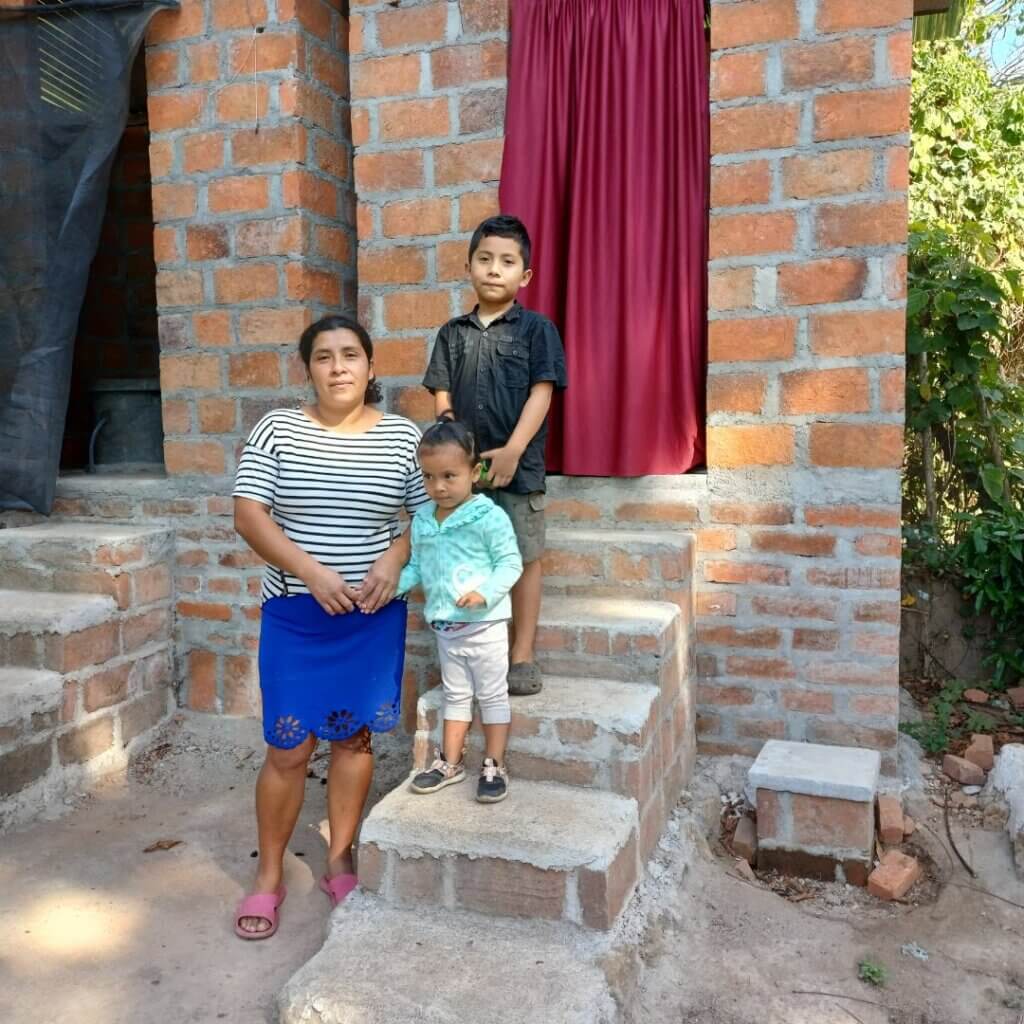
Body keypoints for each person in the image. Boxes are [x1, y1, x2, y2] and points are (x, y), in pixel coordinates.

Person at [231, 314, 429, 940]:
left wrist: (397, 556)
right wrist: (312, 572)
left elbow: (431, 519)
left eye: (350, 355)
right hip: (296, 614)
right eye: (323, 357)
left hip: (371, 617)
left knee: (354, 742)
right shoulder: (278, 430)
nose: (338, 367)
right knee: (288, 748)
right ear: (308, 368)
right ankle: (268, 876)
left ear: (371, 368)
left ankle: (339, 855)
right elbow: (249, 515)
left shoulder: (402, 437)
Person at [423, 214, 567, 697]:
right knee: (468, 553)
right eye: (484, 259)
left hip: (518, 470)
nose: (494, 269)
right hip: (465, 475)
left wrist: (513, 451)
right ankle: (467, 646)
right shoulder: (452, 333)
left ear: (524, 276)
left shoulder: (537, 331)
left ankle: (521, 654)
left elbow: (542, 394)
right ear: (468, 266)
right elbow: (442, 395)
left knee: (523, 558)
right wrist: (449, 436)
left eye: (507, 262)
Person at [397, 418, 523, 802]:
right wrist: (390, 589)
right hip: (446, 628)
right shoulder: (423, 519)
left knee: (491, 695)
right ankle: (449, 763)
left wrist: (485, 592)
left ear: (475, 471)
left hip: (484, 626)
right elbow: (417, 566)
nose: (439, 486)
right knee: (455, 694)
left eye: (450, 475)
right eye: (429, 477)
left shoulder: (488, 517)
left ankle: (494, 765)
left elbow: (511, 563)